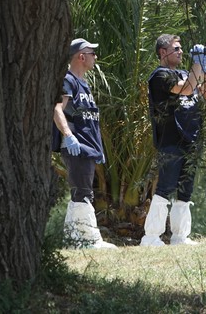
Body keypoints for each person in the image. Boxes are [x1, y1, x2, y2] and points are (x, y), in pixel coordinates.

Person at [140, 34, 206, 246]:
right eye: (176, 49)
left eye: (182, 49)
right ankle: (151, 236)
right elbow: (186, 89)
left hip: (190, 138)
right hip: (171, 139)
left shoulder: (184, 73)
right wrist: (196, 66)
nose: (181, 52)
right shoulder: (159, 76)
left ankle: (180, 237)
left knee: (185, 190)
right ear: (163, 53)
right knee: (166, 187)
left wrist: (204, 67)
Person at [53, 38, 117, 250]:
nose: (95, 57)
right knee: (82, 193)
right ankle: (87, 241)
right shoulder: (68, 80)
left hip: (87, 147)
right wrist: (68, 135)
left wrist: (97, 147)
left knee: (81, 192)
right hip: (76, 146)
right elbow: (57, 109)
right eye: (92, 53)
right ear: (81, 56)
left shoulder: (84, 85)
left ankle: (75, 239)